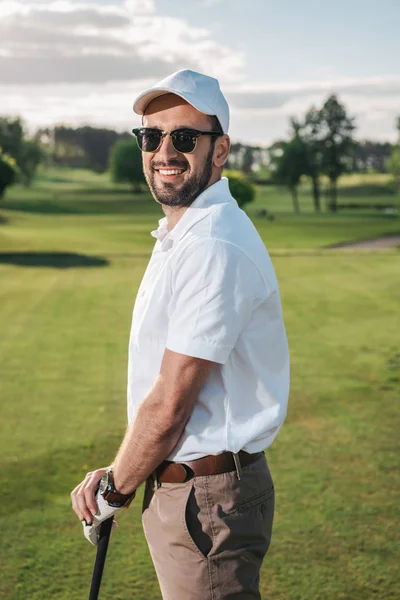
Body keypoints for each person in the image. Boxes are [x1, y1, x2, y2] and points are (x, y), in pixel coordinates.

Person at [71, 68, 290, 599]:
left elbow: (171, 403)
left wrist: (113, 490)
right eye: (152, 136)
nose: (164, 151)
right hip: (188, 485)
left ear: (221, 150)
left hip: (206, 499)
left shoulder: (212, 243)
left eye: (185, 137)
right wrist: (124, 470)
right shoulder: (185, 230)